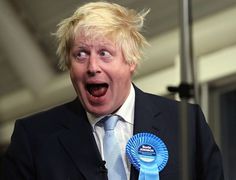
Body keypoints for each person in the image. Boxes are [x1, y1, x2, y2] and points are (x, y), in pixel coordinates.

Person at [2, 1, 224, 180]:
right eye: (80, 54)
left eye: (104, 53)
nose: (92, 67)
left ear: (131, 61)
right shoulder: (34, 138)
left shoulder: (186, 124)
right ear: (69, 65)